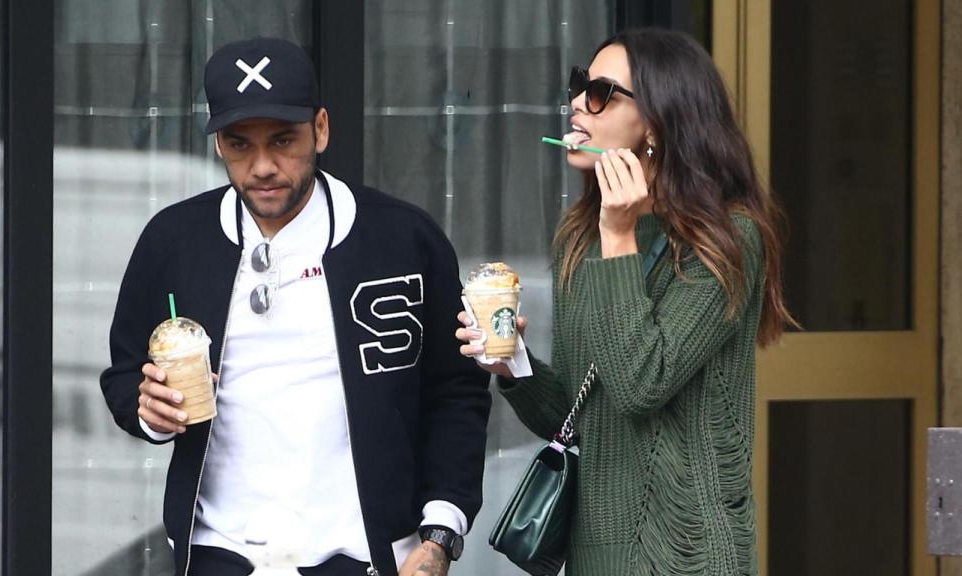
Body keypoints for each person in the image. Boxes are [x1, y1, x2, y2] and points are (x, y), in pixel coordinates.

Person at [101, 37, 491, 576]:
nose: (263, 166)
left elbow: (456, 392)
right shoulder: (173, 240)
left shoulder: (402, 238)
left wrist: (441, 535)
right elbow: (124, 373)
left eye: (283, 140)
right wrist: (151, 413)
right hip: (221, 554)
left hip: (364, 556)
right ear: (218, 145)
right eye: (240, 144)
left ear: (322, 129)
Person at [457, 28, 795, 575]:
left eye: (600, 93)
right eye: (578, 86)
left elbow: (643, 384)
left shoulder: (729, 238)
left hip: (689, 554)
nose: (575, 104)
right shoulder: (580, 235)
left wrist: (620, 238)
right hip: (594, 553)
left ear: (657, 121)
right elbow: (578, 414)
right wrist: (513, 363)